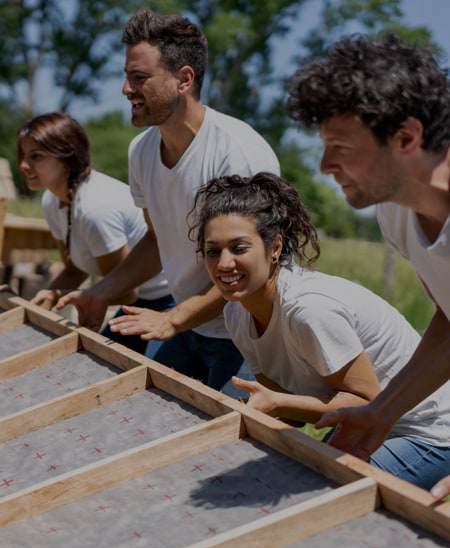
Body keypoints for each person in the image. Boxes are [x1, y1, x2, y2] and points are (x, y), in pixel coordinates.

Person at [56, 9, 280, 395]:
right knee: (141, 414)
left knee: (225, 451)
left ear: (184, 79)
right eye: (127, 77)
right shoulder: (141, 151)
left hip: (247, 333)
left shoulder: (237, 154)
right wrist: (100, 292)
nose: (127, 90)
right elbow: (157, 239)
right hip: (187, 323)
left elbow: (252, 269)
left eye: (139, 78)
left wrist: (174, 318)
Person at [189, 171, 450, 490]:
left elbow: (364, 403)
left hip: (428, 431)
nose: (224, 263)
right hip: (366, 425)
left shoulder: (308, 310)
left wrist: (275, 406)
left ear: (275, 248)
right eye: (213, 251)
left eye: (239, 248)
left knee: (327, 492)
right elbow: (290, 411)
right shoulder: (237, 313)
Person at [285, 32, 450, 497]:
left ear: (406, 137)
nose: (323, 165)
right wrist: (383, 412)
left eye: (340, 147)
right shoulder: (395, 210)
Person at [17, 112, 174, 355]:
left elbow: (125, 290)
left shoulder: (95, 209)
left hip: (167, 301)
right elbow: (73, 270)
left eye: (36, 156)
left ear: (66, 157)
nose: (24, 165)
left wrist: (62, 296)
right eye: (23, 156)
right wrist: (41, 300)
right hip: (135, 301)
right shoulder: (52, 200)